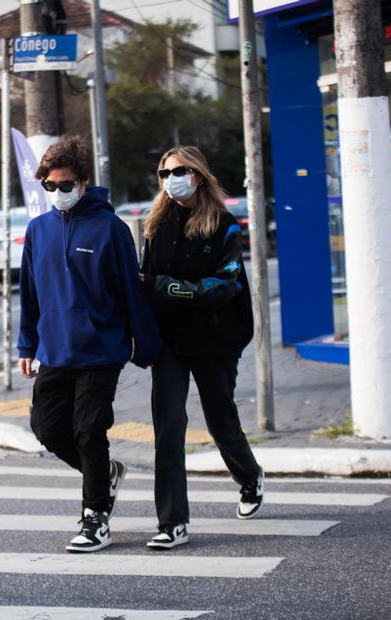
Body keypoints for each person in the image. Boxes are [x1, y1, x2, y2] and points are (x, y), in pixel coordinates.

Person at [18, 135, 161, 553]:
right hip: (55, 351)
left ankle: (95, 517)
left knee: (88, 431)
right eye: (50, 186)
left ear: (83, 182)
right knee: (46, 428)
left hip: (102, 351)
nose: (58, 194)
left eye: (66, 185)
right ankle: (106, 474)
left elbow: (130, 294)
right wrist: (27, 345)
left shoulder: (111, 229)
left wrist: (145, 346)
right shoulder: (37, 231)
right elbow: (29, 293)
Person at [141, 145, 264, 550]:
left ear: (197, 174)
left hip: (215, 338)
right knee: (168, 430)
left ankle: (249, 476)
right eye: (163, 173)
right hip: (170, 342)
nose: (169, 179)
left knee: (220, 420)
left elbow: (223, 287)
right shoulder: (155, 224)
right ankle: (172, 522)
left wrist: (165, 288)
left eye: (177, 171)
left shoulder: (225, 226)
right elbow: (143, 279)